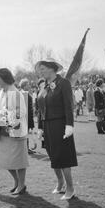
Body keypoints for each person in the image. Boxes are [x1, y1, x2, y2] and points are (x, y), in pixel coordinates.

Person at [36, 59, 77, 200]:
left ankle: (70, 188)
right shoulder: (44, 86)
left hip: (61, 124)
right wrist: (40, 128)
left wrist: (69, 125)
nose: (40, 71)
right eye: (39, 69)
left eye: (43, 68)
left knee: (63, 156)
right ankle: (60, 182)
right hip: (47, 126)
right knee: (53, 156)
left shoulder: (63, 83)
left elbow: (68, 105)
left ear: (52, 69)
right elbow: (41, 109)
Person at [19, 78, 35, 154]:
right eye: (27, 84)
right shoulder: (21, 93)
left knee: (26, 133)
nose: (29, 85)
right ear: (24, 85)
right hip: (24, 117)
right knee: (24, 133)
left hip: (28, 117)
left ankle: (26, 148)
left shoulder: (26, 93)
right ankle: (25, 148)